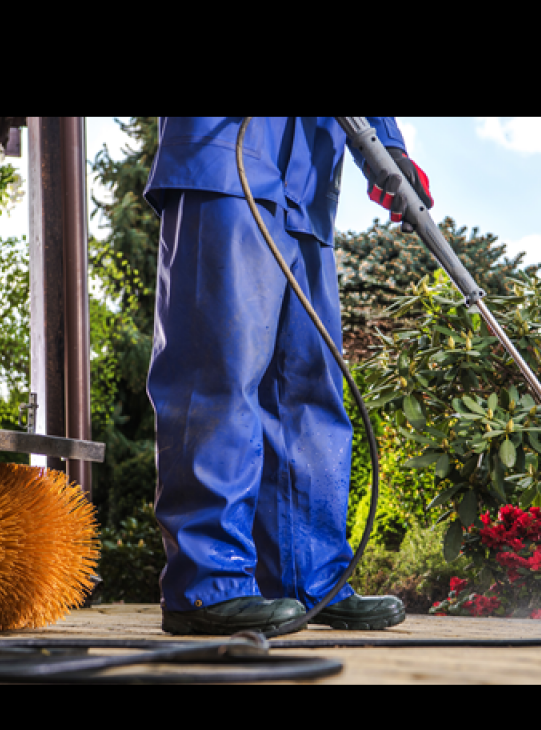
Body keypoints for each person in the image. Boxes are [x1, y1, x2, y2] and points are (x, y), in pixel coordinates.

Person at [143, 117, 434, 635]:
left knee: (309, 392)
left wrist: (388, 150)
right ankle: (208, 584)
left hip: (309, 185)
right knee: (218, 372)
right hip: (225, 160)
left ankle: (310, 579)